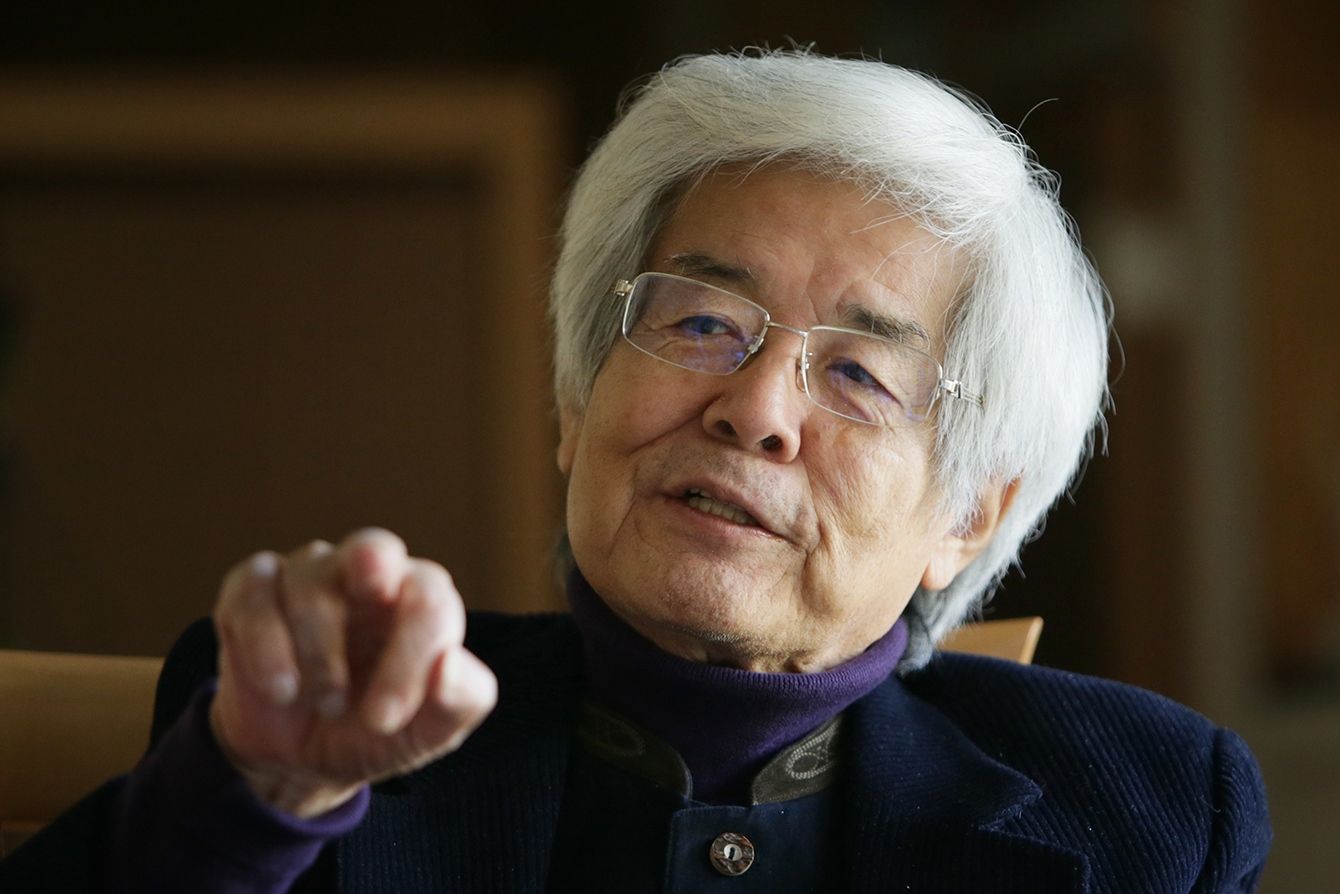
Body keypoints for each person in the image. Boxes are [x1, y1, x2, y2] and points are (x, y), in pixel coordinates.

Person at [1, 50, 1270, 893]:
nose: (753, 410)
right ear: (574, 402)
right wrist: (256, 797)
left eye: (857, 375)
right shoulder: (315, 725)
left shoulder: (1149, 808)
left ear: (967, 517)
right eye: (700, 322)